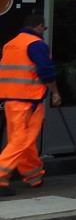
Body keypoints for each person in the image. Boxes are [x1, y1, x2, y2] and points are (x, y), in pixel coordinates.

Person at [0, 11, 60, 196]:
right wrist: (55, 93)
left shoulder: (10, 44)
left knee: (23, 140)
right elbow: (46, 72)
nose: (45, 31)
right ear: (39, 26)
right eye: (45, 27)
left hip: (11, 100)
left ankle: (34, 176)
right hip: (29, 100)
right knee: (21, 140)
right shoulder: (36, 44)